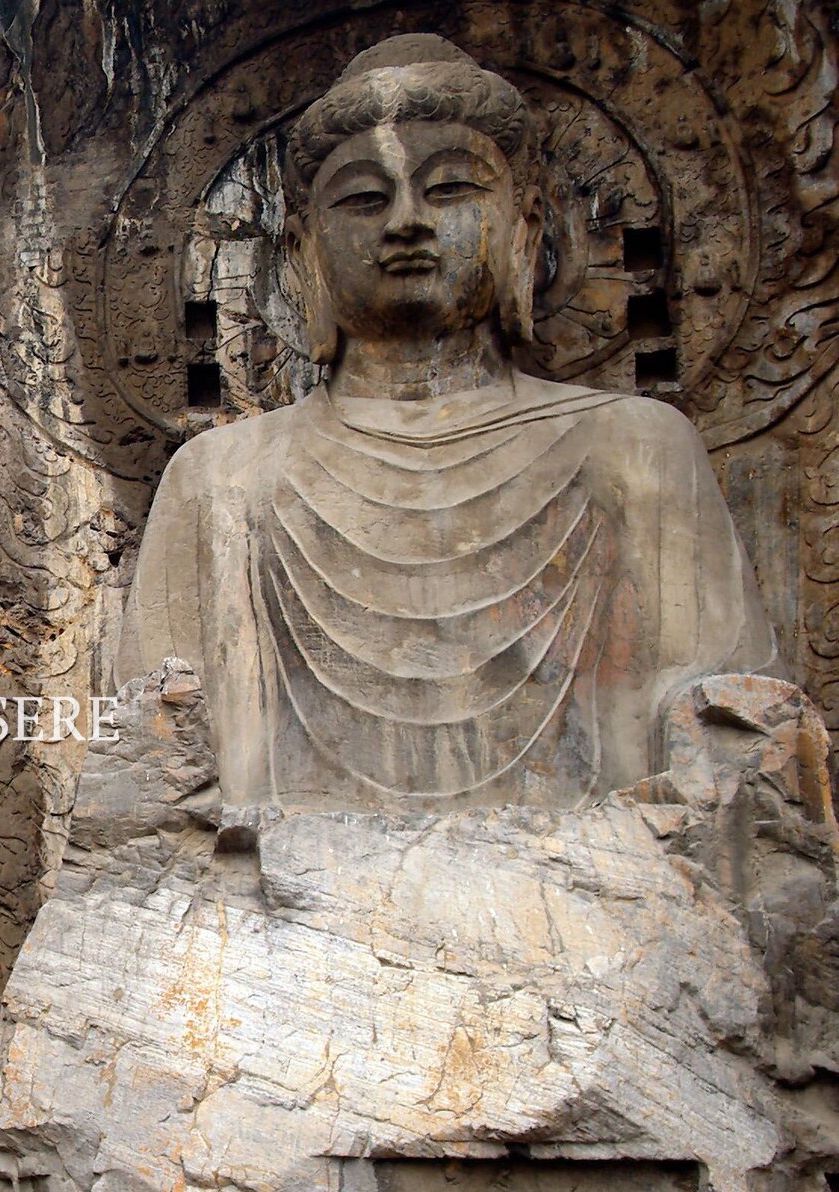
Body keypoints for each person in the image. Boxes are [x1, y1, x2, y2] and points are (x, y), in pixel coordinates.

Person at [120, 34, 775, 811]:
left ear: (524, 227)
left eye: (451, 189)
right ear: (303, 250)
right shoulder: (221, 476)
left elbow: (727, 740)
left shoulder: (638, 446)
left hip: (597, 869)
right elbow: (149, 761)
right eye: (364, 199)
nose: (406, 221)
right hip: (286, 876)